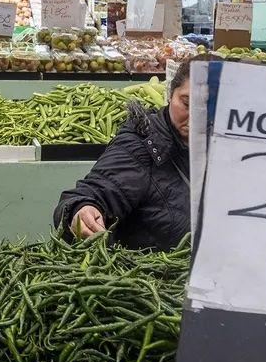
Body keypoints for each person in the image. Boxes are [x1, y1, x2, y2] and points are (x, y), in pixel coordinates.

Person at [53, 56, 203, 251]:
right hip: (152, 276)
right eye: (187, 103)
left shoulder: (234, 153)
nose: (198, 116)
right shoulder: (141, 145)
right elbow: (98, 189)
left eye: (210, 108)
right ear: (170, 95)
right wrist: (82, 209)